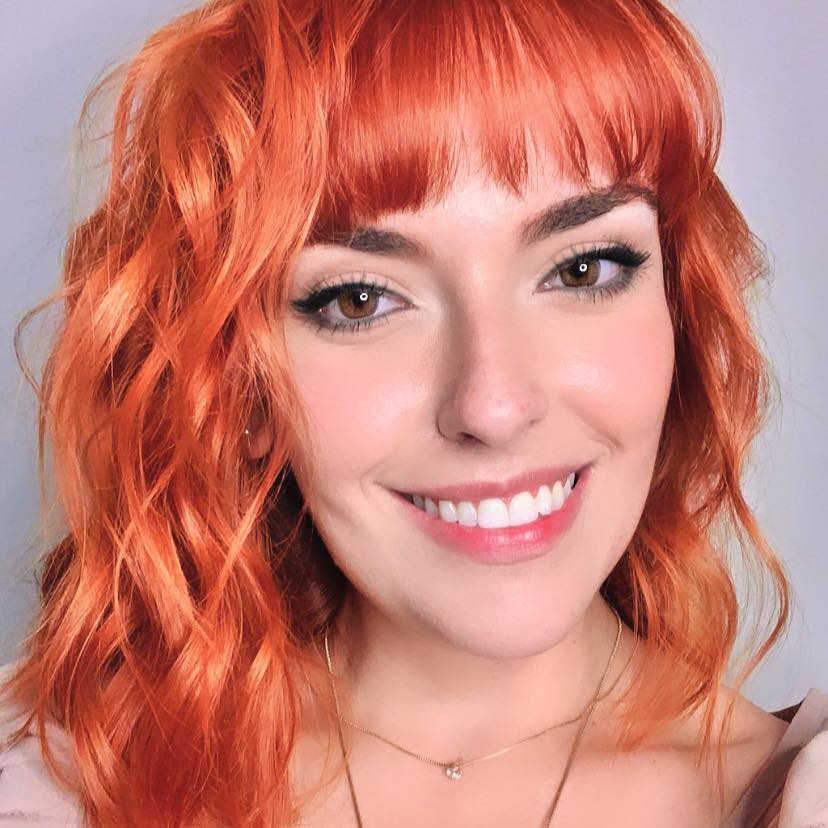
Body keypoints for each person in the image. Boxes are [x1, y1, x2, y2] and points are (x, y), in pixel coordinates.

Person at [0, 0, 825, 825]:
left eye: (582, 270)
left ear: (679, 315)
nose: (493, 407)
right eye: (360, 300)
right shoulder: (54, 783)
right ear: (238, 386)